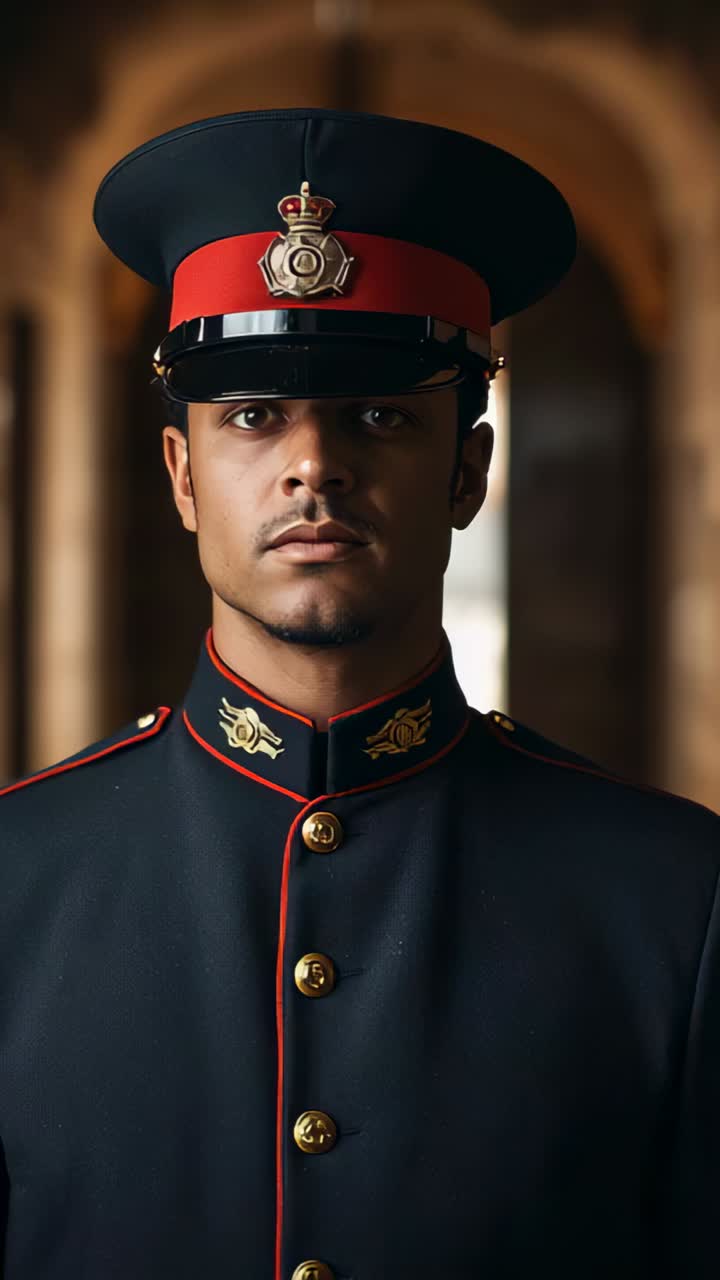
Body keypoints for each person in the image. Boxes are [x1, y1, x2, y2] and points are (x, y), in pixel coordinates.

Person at [0, 108, 717, 1280]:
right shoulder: (13, 879)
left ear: (467, 471)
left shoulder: (675, 904)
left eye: (381, 414)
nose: (314, 464)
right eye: (251, 416)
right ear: (182, 475)